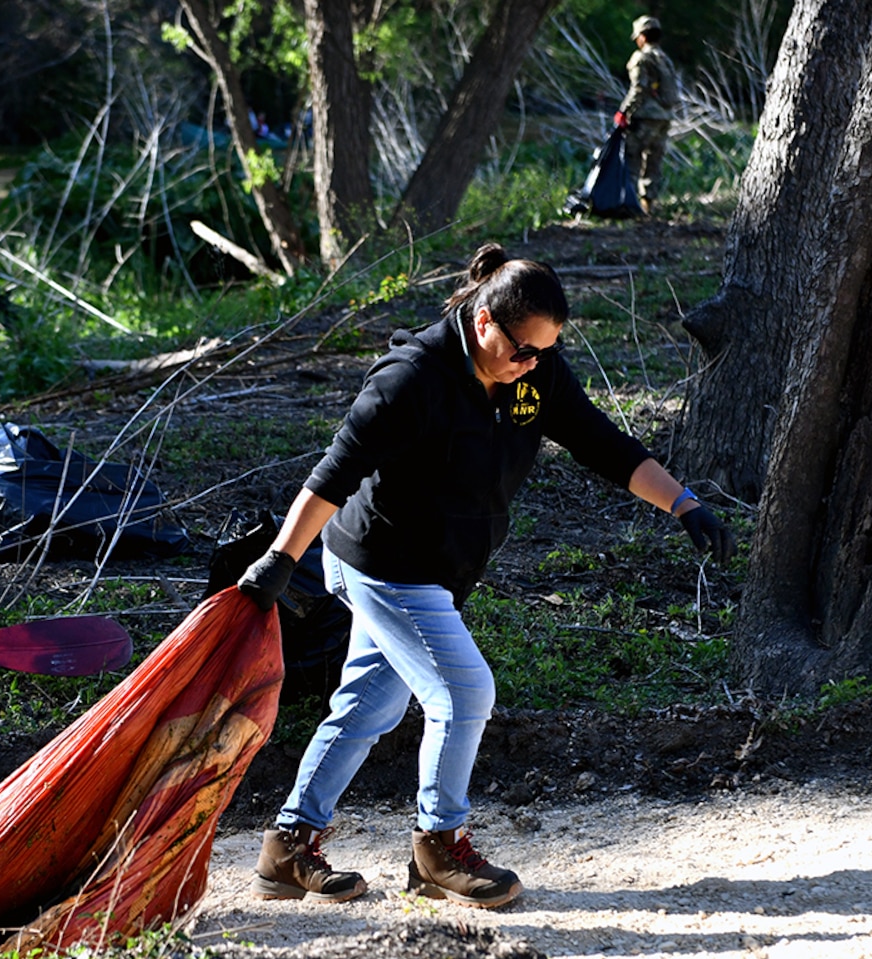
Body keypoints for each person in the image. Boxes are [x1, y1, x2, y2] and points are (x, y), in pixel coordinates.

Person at [237, 243, 733, 909]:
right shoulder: (409, 379)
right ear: (482, 322)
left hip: (440, 572)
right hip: (383, 565)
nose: (530, 365)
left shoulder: (533, 374)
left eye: (542, 352)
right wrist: (278, 560)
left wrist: (683, 502)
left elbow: (599, 442)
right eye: (521, 350)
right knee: (463, 692)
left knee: (367, 706)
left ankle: (286, 847)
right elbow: (334, 473)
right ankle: (438, 846)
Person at [614, 15, 680, 215]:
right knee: (654, 161)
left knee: (632, 159)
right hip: (665, 117)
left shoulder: (641, 58)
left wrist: (623, 111)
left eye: (637, 37)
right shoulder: (664, 58)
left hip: (645, 117)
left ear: (642, 36)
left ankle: (629, 206)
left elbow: (638, 89)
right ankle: (648, 206)